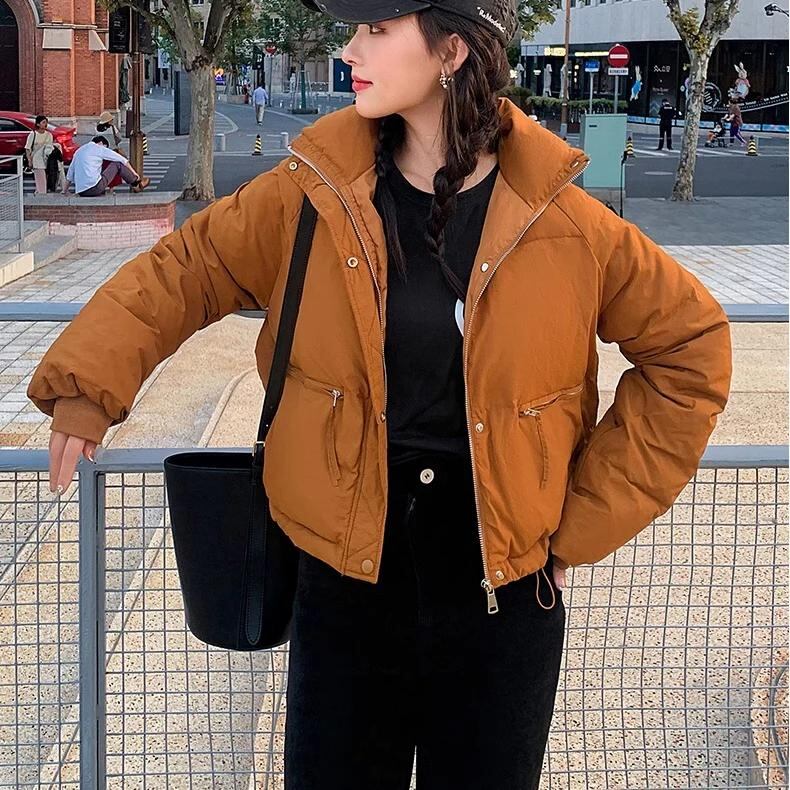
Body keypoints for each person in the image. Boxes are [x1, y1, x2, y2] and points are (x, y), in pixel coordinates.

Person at [27, 0, 732, 786]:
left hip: (501, 598)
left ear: (453, 51)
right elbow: (187, 269)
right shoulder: (314, 194)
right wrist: (87, 387)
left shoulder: (563, 218)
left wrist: (579, 525)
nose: (350, 49)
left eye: (378, 29)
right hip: (344, 584)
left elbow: (691, 349)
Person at [62, 136, 150, 197]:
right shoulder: (99, 148)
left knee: (99, 170)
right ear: (101, 143)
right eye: (105, 147)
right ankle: (136, 184)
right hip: (95, 188)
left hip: (81, 191)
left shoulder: (79, 151)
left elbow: (70, 175)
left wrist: (64, 191)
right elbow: (123, 160)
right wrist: (135, 174)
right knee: (117, 164)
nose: (105, 149)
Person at [24, 115, 55, 195]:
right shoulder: (33, 134)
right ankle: (41, 193)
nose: (45, 124)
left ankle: (39, 192)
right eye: (43, 122)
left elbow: (50, 147)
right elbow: (28, 148)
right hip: (37, 160)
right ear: (38, 124)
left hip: (46, 160)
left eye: (46, 122)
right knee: (40, 178)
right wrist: (29, 161)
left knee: (45, 178)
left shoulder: (49, 135)